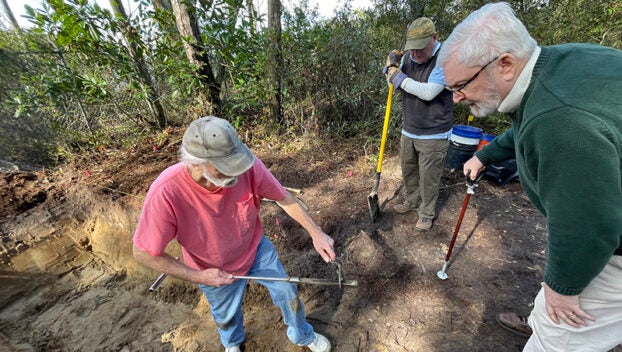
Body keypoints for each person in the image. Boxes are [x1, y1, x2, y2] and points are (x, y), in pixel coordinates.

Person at [436, 2, 622, 351]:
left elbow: (588, 227)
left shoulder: (560, 123)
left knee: (559, 335)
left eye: (460, 85)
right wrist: (486, 154)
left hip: (611, 251)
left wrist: (563, 289)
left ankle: (546, 330)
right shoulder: (563, 62)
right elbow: (536, 117)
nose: (457, 98)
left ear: (504, 64)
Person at [132, 116, 336, 352]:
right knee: (226, 316)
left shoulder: (246, 166)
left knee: (287, 291)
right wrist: (198, 276)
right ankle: (232, 345)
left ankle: (301, 335)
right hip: (210, 268)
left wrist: (315, 232)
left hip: (255, 249)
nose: (236, 173)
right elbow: (143, 253)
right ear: (197, 163)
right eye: (225, 167)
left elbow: (284, 198)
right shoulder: (166, 192)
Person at [384, 17, 454, 231]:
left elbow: (428, 92)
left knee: (429, 178)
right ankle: (412, 201)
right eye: (411, 49)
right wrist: (389, 67)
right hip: (410, 128)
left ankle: (426, 213)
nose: (414, 54)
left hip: (434, 133)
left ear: (434, 38)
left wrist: (397, 76)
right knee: (409, 171)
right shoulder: (410, 57)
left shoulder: (445, 59)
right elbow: (392, 81)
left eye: (420, 49)